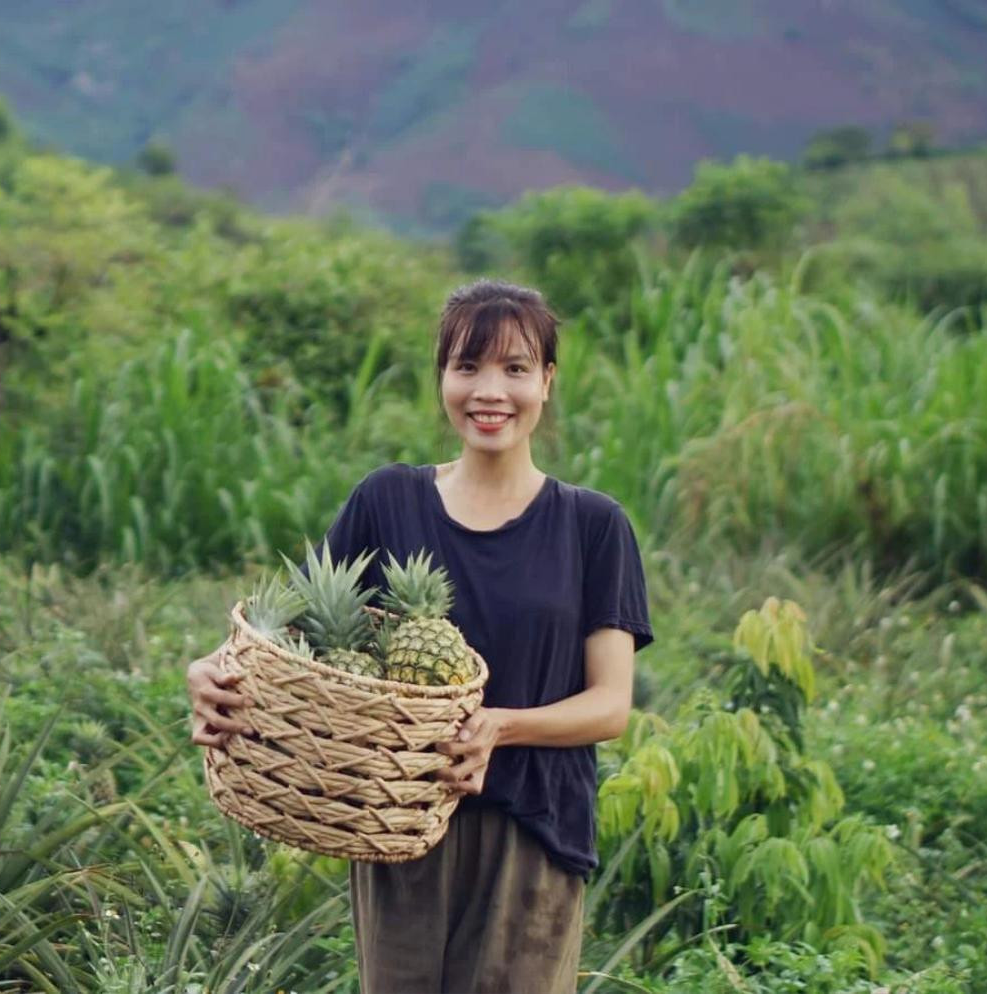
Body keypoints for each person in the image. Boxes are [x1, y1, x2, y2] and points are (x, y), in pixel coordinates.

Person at [187, 279, 654, 994]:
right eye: (467, 366)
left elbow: (610, 706)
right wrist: (213, 669)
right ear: (442, 376)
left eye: (515, 368)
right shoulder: (388, 501)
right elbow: (291, 639)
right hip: (395, 822)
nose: (489, 391)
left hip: (532, 831)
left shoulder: (592, 525)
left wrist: (499, 726)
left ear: (548, 382)